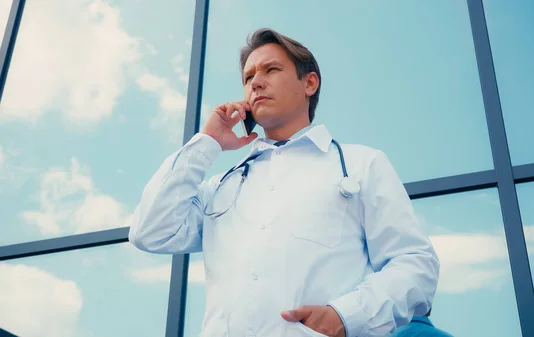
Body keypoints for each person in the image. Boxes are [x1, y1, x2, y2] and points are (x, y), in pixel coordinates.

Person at [128, 27, 440, 337]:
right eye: (248, 77)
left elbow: (415, 265)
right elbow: (150, 231)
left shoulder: (361, 165)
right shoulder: (222, 186)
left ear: (310, 83)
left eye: (271, 70)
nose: (256, 83)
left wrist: (345, 317)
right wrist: (207, 143)